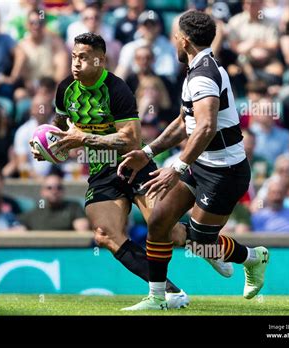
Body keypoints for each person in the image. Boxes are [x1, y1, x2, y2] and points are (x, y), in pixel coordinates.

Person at [32, 33, 232, 310]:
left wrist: (84, 139)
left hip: (133, 165)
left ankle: (211, 247)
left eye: (83, 58)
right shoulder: (65, 88)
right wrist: (50, 147)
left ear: (99, 60)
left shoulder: (117, 89)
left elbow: (131, 140)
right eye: (73, 57)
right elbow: (62, 126)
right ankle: (172, 293)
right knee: (104, 233)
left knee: (169, 233)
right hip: (101, 171)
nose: (75, 63)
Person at [118, 11, 268, 310]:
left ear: (184, 41)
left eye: (175, 37)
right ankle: (158, 298)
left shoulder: (203, 76)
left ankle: (254, 257)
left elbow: (206, 126)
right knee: (159, 221)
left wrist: (178, 167)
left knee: (201, 243)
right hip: (202, 164)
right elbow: (184, 121)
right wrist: (148, 152)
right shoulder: (198, 69)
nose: (174, 41)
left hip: (224, 172)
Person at [13, 9, 69, 101]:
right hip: (32, 91)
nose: (36, 26)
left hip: (52, 88)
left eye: (40, 22)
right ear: (26, 24)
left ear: (45, 24)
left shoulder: (55, 42)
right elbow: (22, 76)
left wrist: (52, 91)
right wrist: (34, 91)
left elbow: (62, 69)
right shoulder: (21, 46)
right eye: (32, 22)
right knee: (19, 94)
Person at [115, 11, 178, 83]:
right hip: (136, 86)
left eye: (152, 25)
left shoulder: (168, 47)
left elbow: (171, 75)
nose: (149, 28)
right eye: (146, 25)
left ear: (159, 27)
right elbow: (121, 73)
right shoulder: (129, 48)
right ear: (139, 27)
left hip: (162, 86)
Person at [18, 174, 89, 231]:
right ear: (42, 192)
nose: (54, 191)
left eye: (59, 187)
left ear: (63, 191)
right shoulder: (34, 213)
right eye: (49, 188)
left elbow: (83, 231)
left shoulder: (73, 207)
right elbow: (17, 230)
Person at [14, 94, 53, 178]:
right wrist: (38, 179)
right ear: (31, 110)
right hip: (32, 179)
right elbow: (22, 164)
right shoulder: (23, 131)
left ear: (50, 108)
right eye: (37, 107)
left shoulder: (60, 128)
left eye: (44, 107)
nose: (40, 110)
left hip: (59, 177)